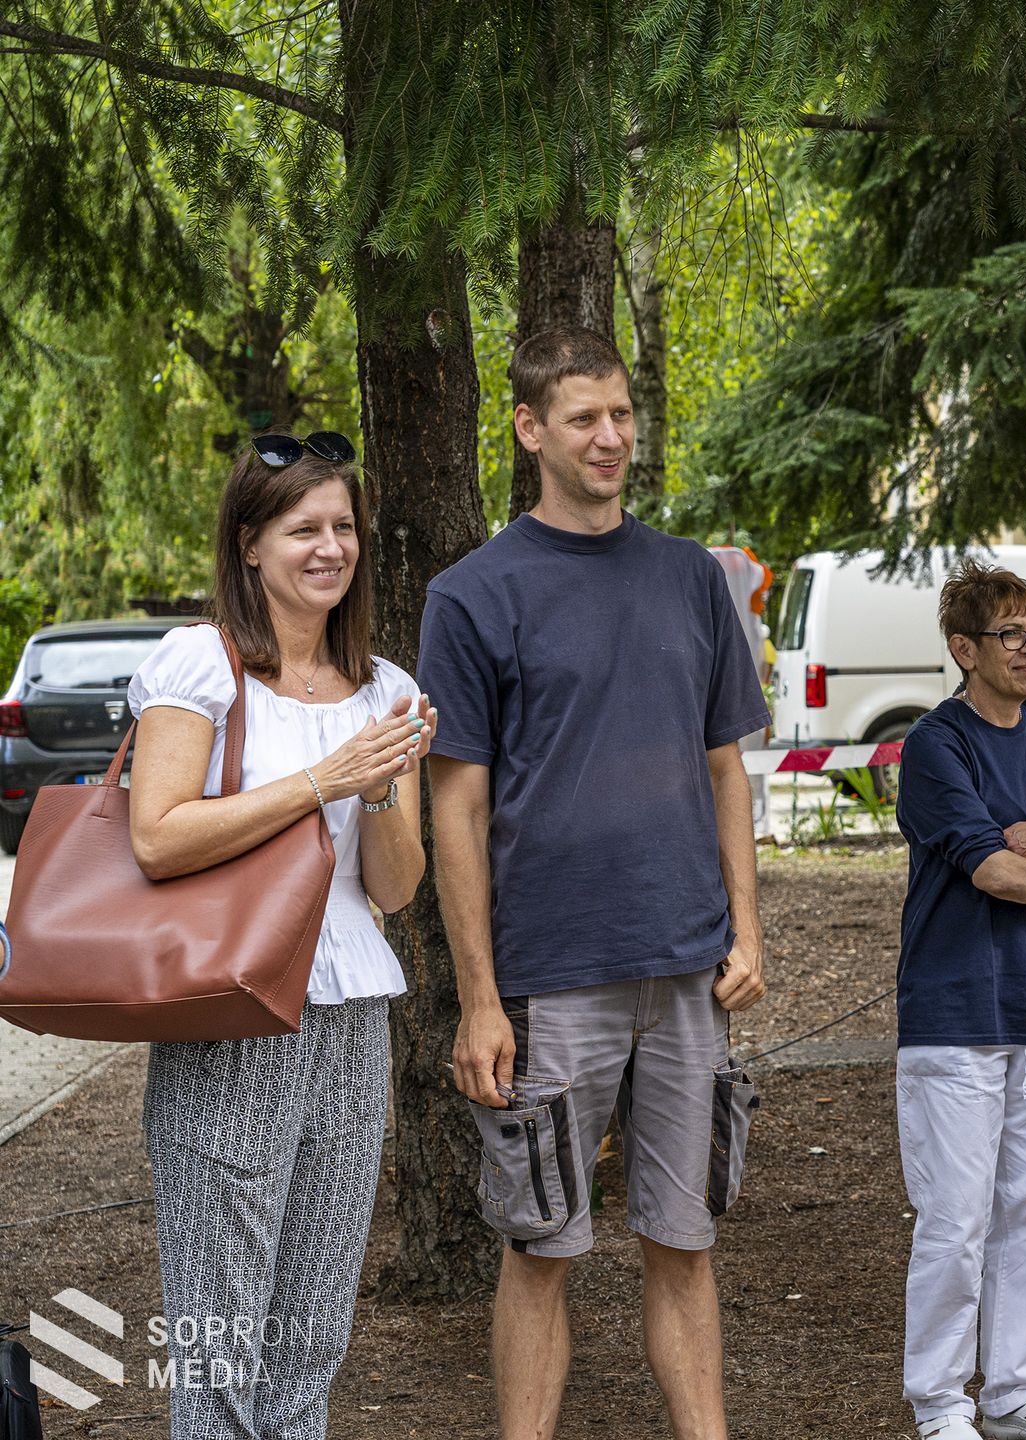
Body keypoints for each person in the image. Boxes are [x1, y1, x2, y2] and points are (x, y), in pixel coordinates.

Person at [421, 326, 771, 1440]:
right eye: (584, 418)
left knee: (685, 1240)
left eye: (621, 414)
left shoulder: (690, 578)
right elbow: (455, 806)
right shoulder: (474, 593)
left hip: (687, 967)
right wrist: (478, 997)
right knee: (542, 1249)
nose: (612, 436)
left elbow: (726, 766)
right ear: (531, 429)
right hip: (550, 974)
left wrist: (747, 929)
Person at [129, 432, 433, 1438]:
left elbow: (392, 888)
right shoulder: (200, 663)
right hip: (231, 1017)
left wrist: (381, 780)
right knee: (221, 1338)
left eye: (344, 527)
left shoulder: (386, 688)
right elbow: (159, 838)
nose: (329, 546)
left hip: (349, 1021)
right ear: (251, 543)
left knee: (310, 1338)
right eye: (305, 527)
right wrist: (322, 780)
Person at [894, 560, 1026, 1440]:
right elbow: (996, 872)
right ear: (963, 649)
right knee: (956, 1219)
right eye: (1009, 635)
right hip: (957, 1010)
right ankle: (940, 1403)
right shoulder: (939, 744)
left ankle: (1015, 1392)